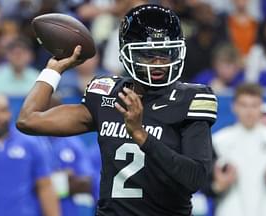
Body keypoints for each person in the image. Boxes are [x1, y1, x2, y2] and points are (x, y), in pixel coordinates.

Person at [17, 4, 217, 216]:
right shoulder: (107, 94)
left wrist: (141, 136)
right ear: (125, 53)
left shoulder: (189, 99)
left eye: (165, 54)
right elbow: (28, 119)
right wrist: (53, 70)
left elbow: (195, 178)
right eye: (148, 54)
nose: (158, 63)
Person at [209, 83, 266, 216]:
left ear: (261, 107)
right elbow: (206, 186)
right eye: (244, 105)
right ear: (234, 107)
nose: (249, 111)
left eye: (254, 105)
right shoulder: (219, 141)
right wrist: (217, 186)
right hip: (229, 211)